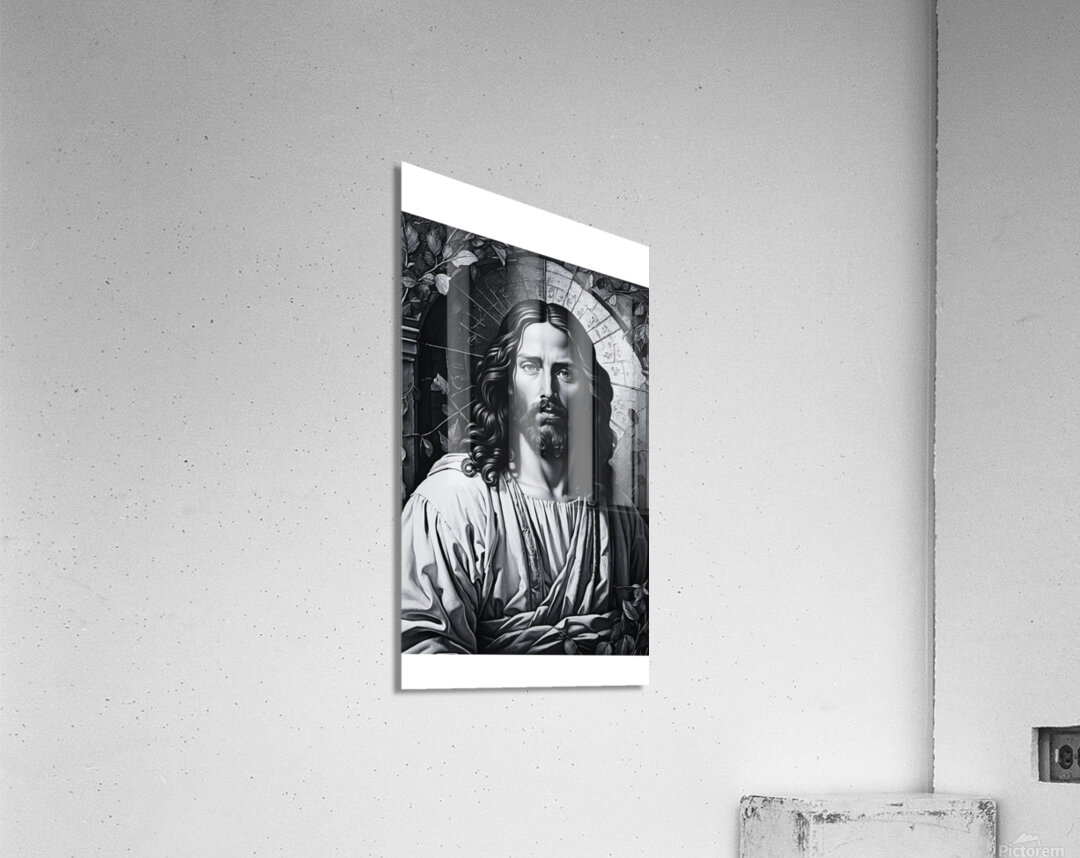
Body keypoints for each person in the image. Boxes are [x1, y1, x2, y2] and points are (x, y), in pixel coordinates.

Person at [401, 299, 648, 654]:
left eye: (565, 372)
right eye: (531, 367)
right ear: (506, 382)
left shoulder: (620, 517)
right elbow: (420, 648)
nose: (548, 390)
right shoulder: (453, 501)